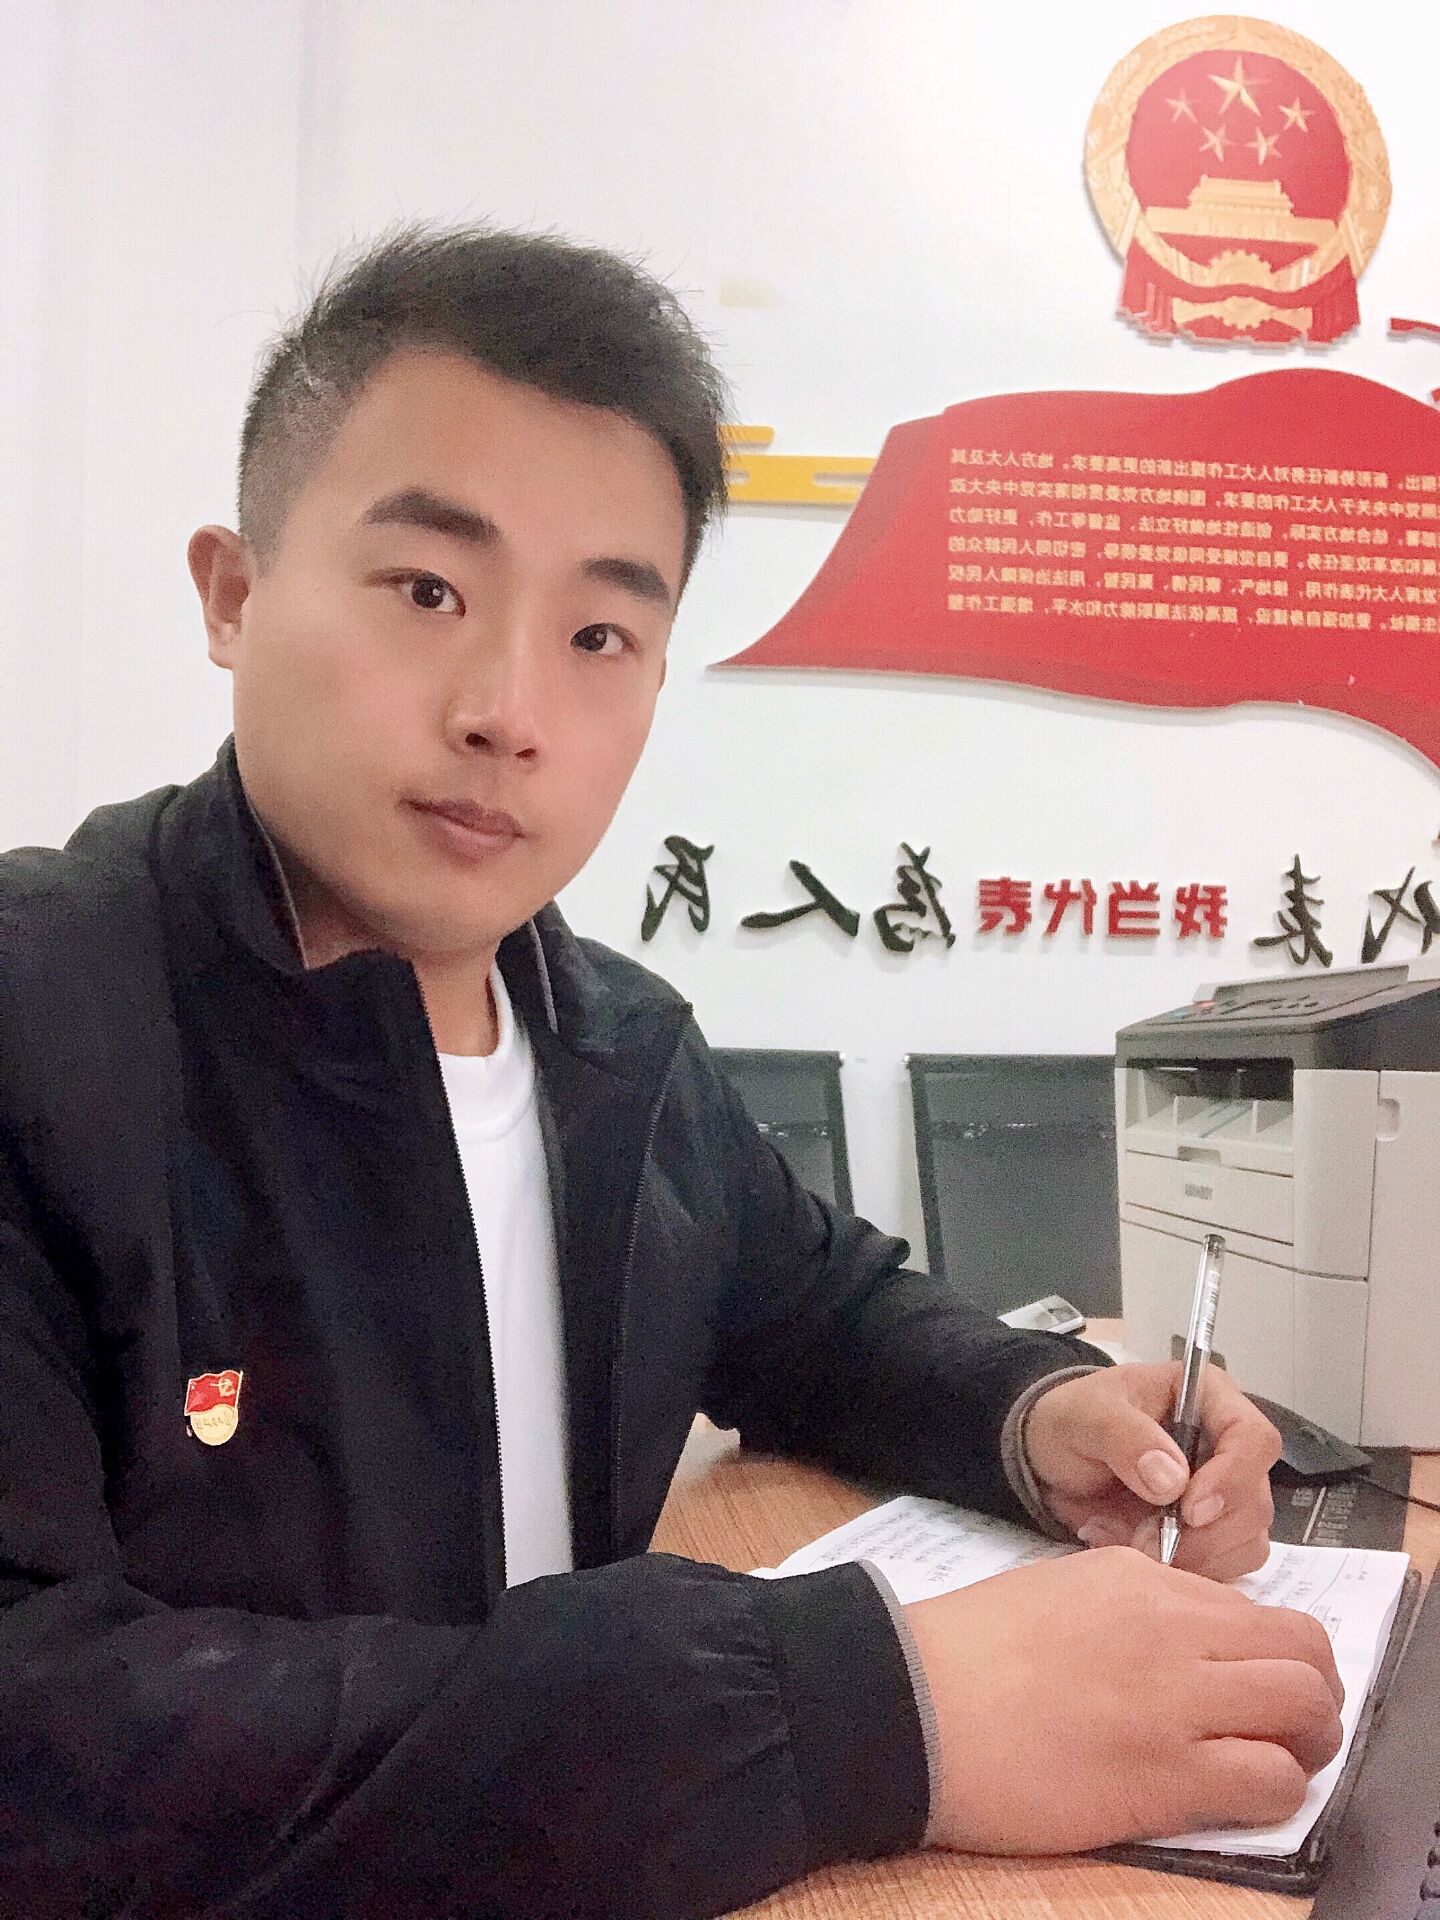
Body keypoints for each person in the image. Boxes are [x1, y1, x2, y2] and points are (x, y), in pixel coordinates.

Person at [0, 222, 1342, 1920]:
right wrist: (863, 1711)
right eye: (429, 591)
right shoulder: (45, 1025)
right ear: (233, 592)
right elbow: (46, 1736)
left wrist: (1035, 1412)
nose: (508, 709)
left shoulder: (617, 1046)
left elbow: (816, 1312)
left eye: (600, 636)